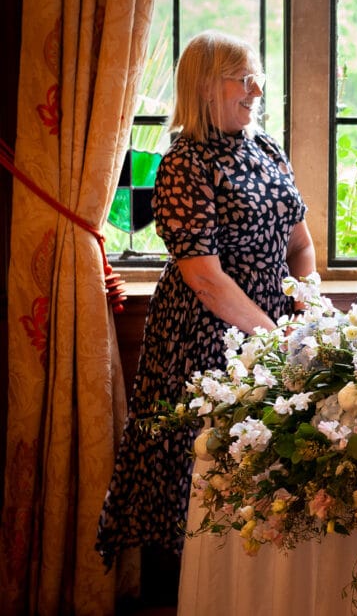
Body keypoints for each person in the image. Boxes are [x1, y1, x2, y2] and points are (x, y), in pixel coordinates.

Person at [96, 32, 315, 595]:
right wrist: (277, 337)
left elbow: (300, 247)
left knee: (268, 480)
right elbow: (203, 276)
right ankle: (200, 598)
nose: (257, 90)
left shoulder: (267, 149)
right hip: (203, 340)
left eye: (256, 76)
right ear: (203, 85)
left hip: (270, 331)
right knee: (199, 480)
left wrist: (309, 307)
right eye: (243, 78)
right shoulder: (182, 163)